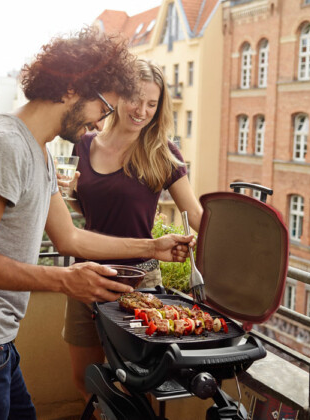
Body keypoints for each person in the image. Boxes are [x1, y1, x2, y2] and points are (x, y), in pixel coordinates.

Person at [0, 29, 195, 420]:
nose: (102, 124)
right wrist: (65, 281)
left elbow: (69, 237)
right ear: (71, 88)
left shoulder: (41, 152)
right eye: (103, 108)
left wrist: (152, 248)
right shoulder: (3, 145)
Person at [61, 59, 204, 400]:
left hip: (138, 282)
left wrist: (245, 243)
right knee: (86, 381)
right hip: (86, 275)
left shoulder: (163, 153)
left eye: (152, 104)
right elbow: (83, 215)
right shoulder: (84, 144)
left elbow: (196, 215)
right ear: (118, 97)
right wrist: (71, 195)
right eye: (135, 99)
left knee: (137, 388)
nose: (142, 111)